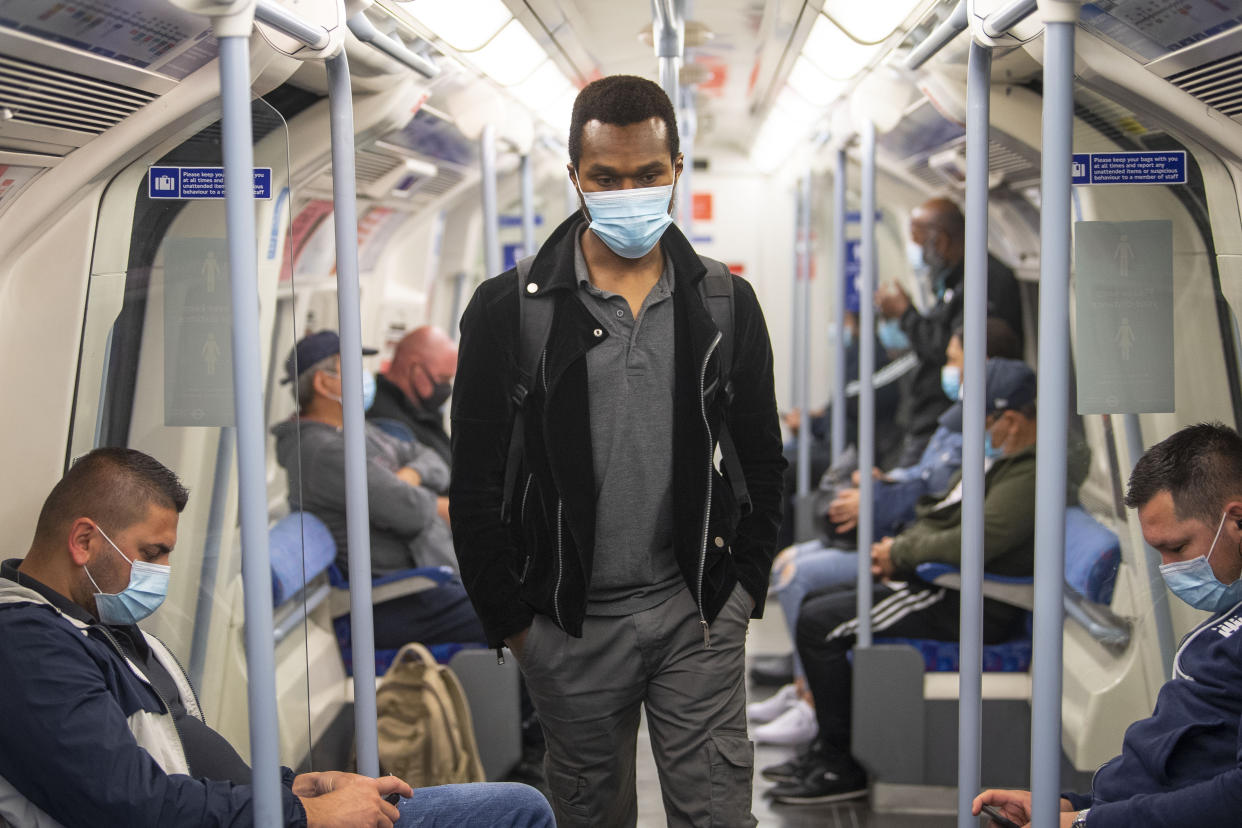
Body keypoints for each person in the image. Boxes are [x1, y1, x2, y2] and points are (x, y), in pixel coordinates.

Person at [450, 74, 785, 827]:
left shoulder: (725, 304)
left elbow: (763, 460)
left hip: (693, 613)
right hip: (568, 629)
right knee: (592, 813)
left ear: (675, 172)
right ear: (575, 177)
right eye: (606, 177)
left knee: (718, 815)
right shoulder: (508, 313)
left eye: (646, 175)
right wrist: (516, 626)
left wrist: (741, 595)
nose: (627, 192)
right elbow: (472, 485)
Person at [0, 447, 554, 828]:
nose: (162, 572)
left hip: (260, 813)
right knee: (516, 811)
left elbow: (175, 755)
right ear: (83, 541)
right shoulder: (28, 649)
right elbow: (131, 805)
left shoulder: (95, 624)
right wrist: (301, 816)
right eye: (152, 553)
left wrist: (291, 789)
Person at [767, 359, 1088, 804]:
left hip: (969, 603)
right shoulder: (1004, 463)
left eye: (981, 422)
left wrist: (897, 554)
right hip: (944, 586)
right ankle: (829, 747)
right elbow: (938, 513)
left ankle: (841, 766)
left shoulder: (1029, 475)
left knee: (821, 624)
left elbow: (975, 537)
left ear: (1011, 421)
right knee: (819, 604)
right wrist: (898, 549)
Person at [975, 422, 1242, 828]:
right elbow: (1181, 762)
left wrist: (1087, 824)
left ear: (1237, 520)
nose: (1171, 571)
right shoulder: (1225, 622)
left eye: (1178, 547)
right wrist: (1072, 806)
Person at [272, 330, 483, 651]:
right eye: (353, 368)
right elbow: (412, 512)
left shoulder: (358, 430)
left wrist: (409, 474)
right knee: (517, 618)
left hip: (420, 579)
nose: (365, 377)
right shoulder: (321, 451)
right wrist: (407, 488)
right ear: (323, 383)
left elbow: (433, 462)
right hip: (394, 595)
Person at [876, 198, 1025, 466]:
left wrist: (906, 314)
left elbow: (949, 349)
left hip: (955, 415)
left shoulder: (985, 279)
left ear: (941, 240)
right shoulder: (951, 281)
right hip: (931, 417)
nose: (920, 255)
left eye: (920, 244)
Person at [776, 307, 910, 549]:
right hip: (836, 440)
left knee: (780, 468)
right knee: (777, 457)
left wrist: (813, 421)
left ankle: (778, 551)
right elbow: (842, 405)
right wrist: (816, 418)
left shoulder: (873, 355)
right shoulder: (855, 352)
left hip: (851, 450)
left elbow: (853, 402)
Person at [369, 326, 457, 467]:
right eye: (442, 378)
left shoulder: (423, 411)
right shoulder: (384, 417)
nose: (447, 387)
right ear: (414, 368)